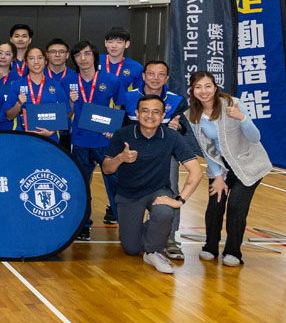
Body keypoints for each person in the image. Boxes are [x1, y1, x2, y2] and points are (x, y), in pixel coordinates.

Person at [100, 95, 203, 274]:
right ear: (137, 113)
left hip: (158, 191)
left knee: (165, 212)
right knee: (131, 248)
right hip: (129, 193)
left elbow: (196, 171)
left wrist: (179, 200)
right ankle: (148, 232)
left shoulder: (172, 136)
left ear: (163, 116)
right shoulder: (122, 134)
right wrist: (120, 158)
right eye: (145, 111)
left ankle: (153, 251)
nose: (150, 116)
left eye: (156, 112)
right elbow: (107, 169)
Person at [187, 71, 272, 266]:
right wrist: (217, 176)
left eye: (208, 86)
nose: (203, 91)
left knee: (236, 205)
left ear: (215, 88)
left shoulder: (233, 103)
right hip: (221, 166)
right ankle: (210, 246)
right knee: (215, 204)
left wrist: (242, 118)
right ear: (192, 90)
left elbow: (255, 137)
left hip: (248, 164)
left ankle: (233, 251)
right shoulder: (192, 114)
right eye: (198, 87)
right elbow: (206, 148)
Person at [118, 60, 191, 259]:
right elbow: (120, 124)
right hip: (134, 156)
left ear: (167, 78)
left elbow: (183, 128)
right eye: (151, 73)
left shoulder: (177, 100)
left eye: (161, 74)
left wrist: (177, 127)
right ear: (143, 76)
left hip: (164, 156)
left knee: (171, 191)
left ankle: (170, 238)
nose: (155, 78)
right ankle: (134, 230)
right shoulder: (128, 97)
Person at [68, 41, 122, 241]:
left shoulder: (111, 79)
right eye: (78, 55)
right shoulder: (69, 81)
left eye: (87, 53)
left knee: (114, 183)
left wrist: (113, 129)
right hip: (80, 140)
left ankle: (124, 223)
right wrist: (72, 102)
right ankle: (83, 224)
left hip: (105, 141)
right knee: (82, 184)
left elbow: (119, 105)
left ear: (95, 56)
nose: (82, 58)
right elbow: (67, 113)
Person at [6, 46, 63, 143]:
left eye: (40, 58)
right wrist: (19, 104)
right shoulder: (17, 85)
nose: (36, 62)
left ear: (45, 61)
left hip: (50, 140)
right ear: (26, 62)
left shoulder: (56, 85)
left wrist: (51, 132)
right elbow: (9, 116)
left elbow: (66, 115)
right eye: (31, 58)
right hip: (22, 139)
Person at [44, 38, 80, 151]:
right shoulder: (38, 75)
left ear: (67, 55)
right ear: (47, 55)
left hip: (68, 131)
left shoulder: (76, 77)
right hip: (43, 128)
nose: (57, 55)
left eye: (61, 52)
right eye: (53, 52)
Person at [101, 27, 144, 92]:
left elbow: (138, 93)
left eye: (119, 42)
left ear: (127, 44)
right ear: (105, 43)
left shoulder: (136, 68)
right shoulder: (94, 61)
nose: (114, 46)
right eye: (110, 42)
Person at [0, 42, 19, 131]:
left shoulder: (18, 80)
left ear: (13, 58)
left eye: (7, 54)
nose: (2, 57)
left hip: (9, 128)